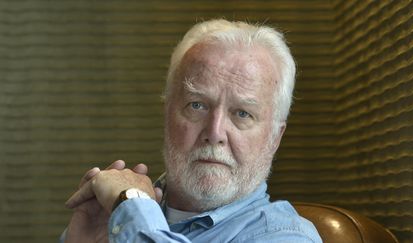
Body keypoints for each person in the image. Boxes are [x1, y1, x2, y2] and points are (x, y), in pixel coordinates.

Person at [61, 19, 322, 243]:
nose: (215, 131)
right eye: (197, 105)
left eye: (242, 113)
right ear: (167, 114)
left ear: (275, 138)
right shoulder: (115, 218)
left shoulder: (287, 236)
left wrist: (131, 203)